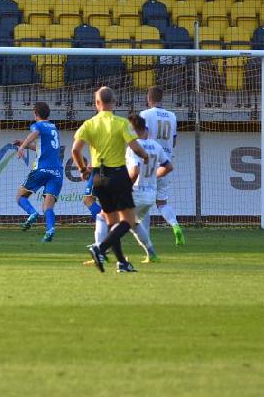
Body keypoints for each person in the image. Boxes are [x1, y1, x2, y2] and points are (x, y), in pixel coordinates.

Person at [71, 86, 150, 273]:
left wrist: (82, 169)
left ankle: (122, 262)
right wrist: (145, 155)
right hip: (117, 174)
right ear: (114, 102)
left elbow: (75, 150)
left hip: (98, 177)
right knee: (128, 221)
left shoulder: (89, 124)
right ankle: (100, 249)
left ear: (97, 103)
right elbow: (135, 147)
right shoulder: (121, 123)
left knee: (113, 223)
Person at [139, 86, 185, 247]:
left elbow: (141, 137)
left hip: (149, 162)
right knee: (162, 203)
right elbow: (174, 141)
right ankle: (175, 225)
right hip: (165, 162)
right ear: (161, 99)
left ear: (148, 99)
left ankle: (146, 242)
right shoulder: (172, 116)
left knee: (144, 202)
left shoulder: (145, 114)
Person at [126, 114, 173, 263]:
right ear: (145, 129)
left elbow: (134, 172)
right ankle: (151, 253)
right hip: (150, 195)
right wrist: (154, 176)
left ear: (132, 130)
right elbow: (169, 167)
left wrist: (125, 187)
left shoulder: (133, 146)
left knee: (114, 220)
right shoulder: (156, 146)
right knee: (133, 224)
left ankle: (101, 252)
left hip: (136, 192)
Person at [14, 101, 63, 242]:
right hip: (57, 172)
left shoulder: (38, 125)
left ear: (35, 114)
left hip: (41, 169)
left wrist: (22, 146)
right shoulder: (53, 127)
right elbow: (41, 148)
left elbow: (35, 133)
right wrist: (25, 145)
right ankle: (50, 230)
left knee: (20, 196)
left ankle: (32, 213)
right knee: (48, 206)